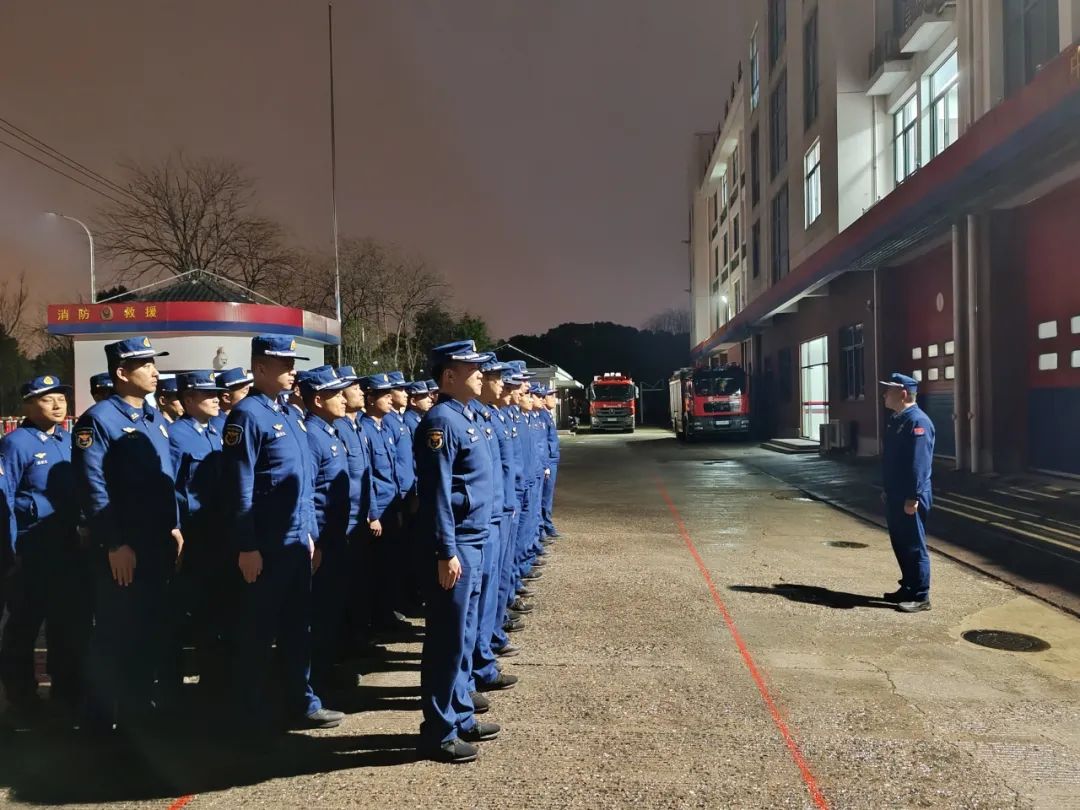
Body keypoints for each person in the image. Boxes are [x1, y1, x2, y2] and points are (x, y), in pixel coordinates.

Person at [220, 335, 343, 731]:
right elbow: (240, 487)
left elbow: (304, 483)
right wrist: (247, 546)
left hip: (295, 542)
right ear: (260, 368)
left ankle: (301, 702)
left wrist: (310, 535)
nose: (293, 371)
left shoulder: (289, 413)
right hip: (266, 547)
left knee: (297, 629)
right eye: (284, 364)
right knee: (258, 632)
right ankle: (249, 714)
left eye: (293, 364)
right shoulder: (246, 416)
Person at [73, 337, 184, 733]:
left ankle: (138, 714)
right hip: (124, 547)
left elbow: (165, 480)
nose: (155, 371)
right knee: (116, 633)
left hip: (156, 543)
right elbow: (93, 487)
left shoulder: (153, 418)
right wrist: (114, 542)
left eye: (154, 363)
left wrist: (174, 526)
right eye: (145, 364)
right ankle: (99, 722)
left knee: (149, 630)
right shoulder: (99, 420)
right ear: (122, 372)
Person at [416, 340, 500, 763]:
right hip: (458, 544)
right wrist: (445, 550)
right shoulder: (440, 423)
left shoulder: (464, 416)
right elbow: (436, 495)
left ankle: (460, 712)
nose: (481, 374)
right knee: (447, 640)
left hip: (475, 537)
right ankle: (438, 730)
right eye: (472, 369)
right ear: (449, 376)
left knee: (465, 635)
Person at [0, 375, 90, 725]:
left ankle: (66, 693)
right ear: (27, 404)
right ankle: (22, 697)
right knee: (24, 626)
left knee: (66, 624)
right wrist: (9, 550)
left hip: (68, 549)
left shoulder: (68, 440)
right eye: (46, 398)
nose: (57, 404)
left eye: (61, 398)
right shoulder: (15, 444)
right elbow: (5, 498)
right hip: (31, 551)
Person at [165, 370, 229, 709]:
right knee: (189, 612)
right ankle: (179, 689)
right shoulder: (176, 436)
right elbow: (169, 487)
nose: (216, 399)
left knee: (217, 610)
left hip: (219, 534)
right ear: (188, 400)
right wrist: (175, 530)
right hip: (193, 537)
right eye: (208, 395)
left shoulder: (216, 430)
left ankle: (215, 681)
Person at [296, 366, 355, 696]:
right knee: (316, 615)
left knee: (331, 610)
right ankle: (314, 683)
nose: (344, 399)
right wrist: (313, 540)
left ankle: (326, 673)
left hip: (335, 536)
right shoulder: (311, 436)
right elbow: (307, 492)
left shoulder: (329, 432)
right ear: (318, 400)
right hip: (321, 541)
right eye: (336, 394)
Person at [470, 358, 520, 698]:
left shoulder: (483, 416)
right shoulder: (451, 421)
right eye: (494, 377)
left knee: (488, 596)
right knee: (468, 613)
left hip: (493, 515)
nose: (503, 384)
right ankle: (474, 672)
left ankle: (485, 655)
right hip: (473, 527)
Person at [880, 373, 936, 613]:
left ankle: (921, 595)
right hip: (896, 493)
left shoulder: (918, 422)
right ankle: (908, 587)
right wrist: (887, 489)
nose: (884, 394)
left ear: (903, 394)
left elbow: (919, 464)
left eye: (889, 390)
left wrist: (913, 497)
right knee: (901, 543)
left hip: (910, 496)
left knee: (914, 545)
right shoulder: (898, 419)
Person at [358, 373, 403, 634]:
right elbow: (369, 477)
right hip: (380, 510)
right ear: (370, 399)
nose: (390, 399)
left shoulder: (383, 428)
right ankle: (378, 619)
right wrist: (373, 513)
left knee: (391, 565)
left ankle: (387, 614)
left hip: (391, 505)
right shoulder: (365, 429)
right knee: (378, 568)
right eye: (384, 395)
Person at [540, 387, 561, 539]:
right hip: (548, 461)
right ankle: (544, 527)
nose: (554, 400)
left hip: (552, 459)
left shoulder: (547, 415)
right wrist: (546, 464)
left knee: (547, 496)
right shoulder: (542, 415)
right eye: (551, 396)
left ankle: (546, 525)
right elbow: (542, 443)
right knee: (544, 497)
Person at [210, 367, 254, 433]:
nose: (249, 397)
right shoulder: (218, 426)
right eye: (245, 392)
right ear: (226, 398)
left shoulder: (235, 418)